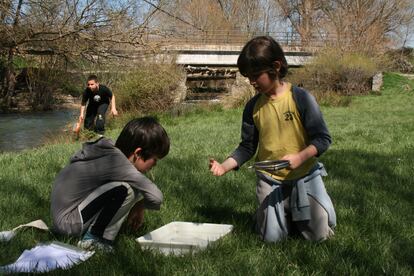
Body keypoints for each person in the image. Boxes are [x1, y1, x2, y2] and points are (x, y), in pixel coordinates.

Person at [209, 36, 336, 242]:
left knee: (319, 236)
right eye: (248, 76)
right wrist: (224, 167)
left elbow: (323, 139)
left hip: (304, 175)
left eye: (256, 75)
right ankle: (278, 215)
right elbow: (247, 147)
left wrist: (300, 157)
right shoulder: (252, 107)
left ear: (276, 67)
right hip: (270, 180)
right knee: (272, 239)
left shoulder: (301, 98)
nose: (251, 81)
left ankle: (297, 213)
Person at [51, 116, 170, 251]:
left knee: (133, 187)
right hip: (68, 223)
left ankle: (96, 232)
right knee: (126, 189)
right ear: (138, 153)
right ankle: (94, 238)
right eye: (154, 159)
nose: (155, 165)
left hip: (66, 219)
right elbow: (156, 197)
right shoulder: (119, 163)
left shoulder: (112, 154)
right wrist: (140, 206)